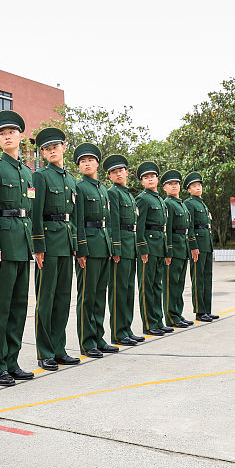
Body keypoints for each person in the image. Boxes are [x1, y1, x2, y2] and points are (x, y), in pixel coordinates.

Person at [0, 110, 37, 387]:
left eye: (11, 132)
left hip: (22, 244)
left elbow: (31, 212)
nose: (7, 136)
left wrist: (35, 247)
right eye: (2, 134)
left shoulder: (27, 172)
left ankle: (12, 362)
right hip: (2, 244)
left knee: (18, 308)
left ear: (20, 136)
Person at [31, 126, 81, 372]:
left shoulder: (71, 179)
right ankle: (45, 352)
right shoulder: (40, 176)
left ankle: (60, 349)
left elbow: (72, 217)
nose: (52, 151)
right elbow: (36, 213)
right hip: (48, 244)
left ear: (64, 147)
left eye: (55, 147)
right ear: (43, 153)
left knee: (62, 299)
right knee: (46, 299)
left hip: (65, 243)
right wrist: (38, 245)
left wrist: (75, 245)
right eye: (47, 149)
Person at [73, 142, 116, 358]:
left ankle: (99, 337)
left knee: (100, 296)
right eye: (83, 161)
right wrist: (80, 249)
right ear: (79, 167)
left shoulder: (102, 190)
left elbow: (107, 221)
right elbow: (77, 220)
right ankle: (87, 341)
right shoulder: (79, 188)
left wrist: (110, 244)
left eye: (90, 160)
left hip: (103, 244)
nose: (87, 164)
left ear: (97, 163)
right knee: (87, 297)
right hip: (88, 247)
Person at [104, 155, 143, 346]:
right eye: (114, 172)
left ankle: (127, 328)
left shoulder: (128, 194)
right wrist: (116, 247)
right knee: (118, 290)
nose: (118, 174)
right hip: (121, 247)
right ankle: (118, 332)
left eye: (121, 170)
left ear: (127, 172)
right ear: (109, 176)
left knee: (128, 290)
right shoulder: (113, 193)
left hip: (131, 246)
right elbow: (114, 223)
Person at [135, 161, 171, 336]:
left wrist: (166, 250)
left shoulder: (160, 200)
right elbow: (139, 227)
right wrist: (142, 248)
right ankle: (149, 324)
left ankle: (158, 320)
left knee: (157, 286)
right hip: (148, 247)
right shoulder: (142, 199)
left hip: (159, 246)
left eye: (152, 177)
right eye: (146, 178)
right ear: (142, 182)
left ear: (157, 179)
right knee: (147, 287)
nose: (150, 180)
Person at [161, 170, 194, 328]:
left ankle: (178, 314)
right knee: (171, 283)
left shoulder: (181, 204)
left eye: (176, 184)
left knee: (179, 284)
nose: (174, 186)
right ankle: (171, 316)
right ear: (164, 188)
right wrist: (169, 249)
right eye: (170, 184)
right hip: (174, 246)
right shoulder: (168, 204)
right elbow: (167, 229)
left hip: (183, 246)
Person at [183, 172, 217, 322]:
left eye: (199, 185)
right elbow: (189, 226)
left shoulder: (202, 203)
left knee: (207, 277)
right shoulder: (189, 204)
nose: (198, 188)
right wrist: (193, 245)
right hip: (198, 245)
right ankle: (199, 311)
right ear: (189, 190)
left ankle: (207, 309)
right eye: (194, 186)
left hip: (206, 244)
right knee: (198, 278)